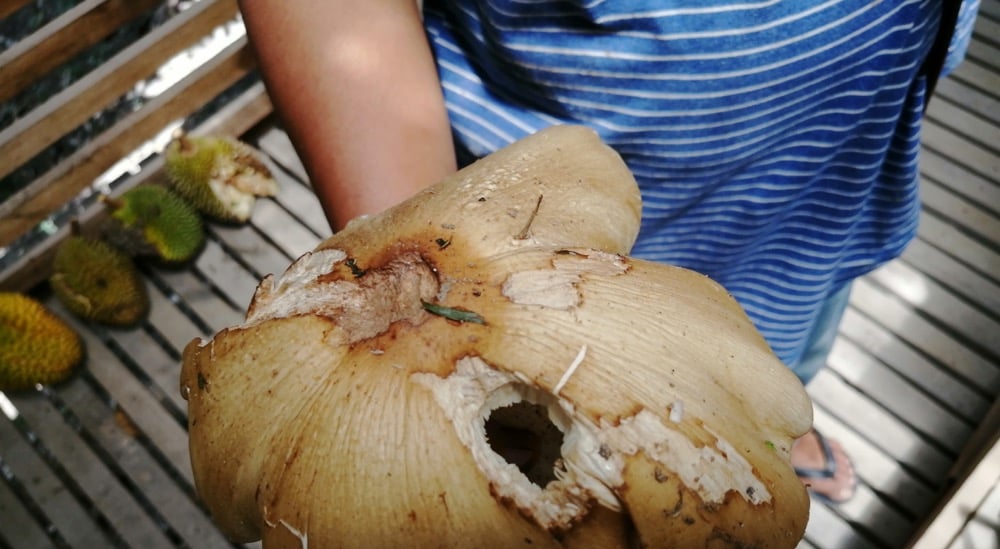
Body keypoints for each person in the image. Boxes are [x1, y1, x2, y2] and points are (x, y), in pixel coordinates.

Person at [236, 0, 979, 504]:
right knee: (594, 396)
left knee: (788, 336)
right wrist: (440, 335)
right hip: (555, 225)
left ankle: (786, 426)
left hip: (826, 171)